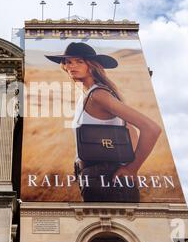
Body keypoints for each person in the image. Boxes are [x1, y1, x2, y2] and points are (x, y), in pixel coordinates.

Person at [45, 42, 162, 202]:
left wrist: (131, 169)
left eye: (79, 61)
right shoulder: (87, 95)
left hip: (106, 179)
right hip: (95, 178)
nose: (72, 66)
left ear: (91, 66)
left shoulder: (98, 95)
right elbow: (130, 132)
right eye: (68, 62)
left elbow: (151, 129)